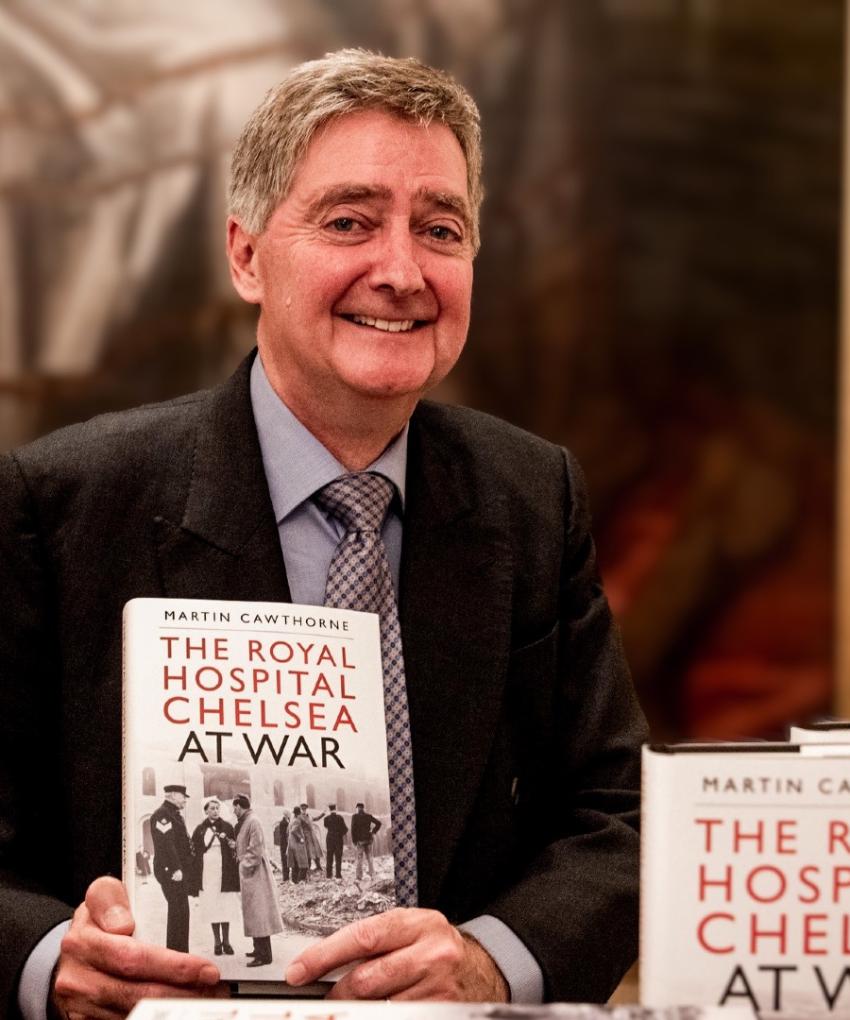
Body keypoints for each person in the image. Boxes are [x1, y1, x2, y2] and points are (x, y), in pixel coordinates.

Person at [0, 49, 647, 1017]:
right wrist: (53, 958)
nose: (399, 271)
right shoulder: (63, 502)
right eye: (349, 221)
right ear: (247, 255)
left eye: (439, 228)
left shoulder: (532, 497)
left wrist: (485, 964)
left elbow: (621, 820)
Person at [232, 796, 284, 967]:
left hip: (255, 872)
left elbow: (255, 849)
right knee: (254, 912)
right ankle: (257, 948)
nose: (234, 811)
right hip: (251, 873)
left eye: (235, 808)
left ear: (239, 807)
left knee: (259, 912)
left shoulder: (253, 821)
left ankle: (265, 955)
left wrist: (243, 865)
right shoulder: (247, 820)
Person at [190, 797, 240, 956]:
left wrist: (233, 845)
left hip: (224, 871)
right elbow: (194, 852)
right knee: (212, 906)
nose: (215, 811)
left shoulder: (227, 826)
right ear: (205, 811)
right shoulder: (199, 829)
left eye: (217, 808)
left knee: (225, 906)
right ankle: (217, 942)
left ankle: (227, 941)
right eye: (211, 808)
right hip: (207, 872)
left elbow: (234, 849)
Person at [149, 785, 195, 953]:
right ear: (174, 795)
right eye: (183, 796)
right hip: (172, 871)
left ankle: (180, 952)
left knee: (181, 913)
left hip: (179, 871)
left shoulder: (172, 814)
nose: (185, 800)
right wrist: (176, 868)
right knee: (178, 913)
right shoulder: (163, 814)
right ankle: (177, 953)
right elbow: (166, 844)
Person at [350, 803, 381, 882]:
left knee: (360, 859)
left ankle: (359, 877)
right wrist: (373, 831)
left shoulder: (355, 817)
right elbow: (379, 823)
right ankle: (372, 875)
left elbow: (353, 830)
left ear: (357, 808)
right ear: (363, 808)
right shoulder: (368, 816)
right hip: (369, 840)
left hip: (360, 841)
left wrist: (354, 841)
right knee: (370, 857)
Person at [286, 806, 311, 884]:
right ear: (299, 814)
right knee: (303, 863)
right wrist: (300, 838)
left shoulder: (292, 821)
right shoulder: (297, 821)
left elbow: (288, 832)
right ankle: (300, 880)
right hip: (297, 844)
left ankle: (294, 880)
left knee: (295, 863)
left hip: (291, 844)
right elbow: (294, 831)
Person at [323, 804, 348, 880]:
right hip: (338, 839)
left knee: (329, 857)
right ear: (335, 809)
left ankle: (328, 875)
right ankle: (338, 875)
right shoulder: (340, 818)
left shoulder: (326, 819)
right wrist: (340, 833)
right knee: (338, 857)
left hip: (329, 839)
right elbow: (345, 829)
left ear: (330, 810)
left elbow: (326, 826)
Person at [299, 803, 324, 873]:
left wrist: (323, 814)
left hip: (313, 836)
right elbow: (301, 825)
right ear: (301, 809)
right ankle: (308, 868)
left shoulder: (309, 816)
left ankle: (318, 866)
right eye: (303, 809)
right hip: (306, 837)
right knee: (308, 852)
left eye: (305, 809)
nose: (304, 810)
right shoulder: (300, 817)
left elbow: (316, 818)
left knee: (316, 851)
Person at [278, 809, 291, 883]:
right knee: (284, 860)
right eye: (289, 814)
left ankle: (287, 876)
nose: (290, 815)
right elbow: (284, 835)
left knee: (287, 860)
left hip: (286, 843)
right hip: (284, 844)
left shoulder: (287, 821)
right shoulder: (283, 823)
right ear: (286, 815)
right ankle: (285, 877)